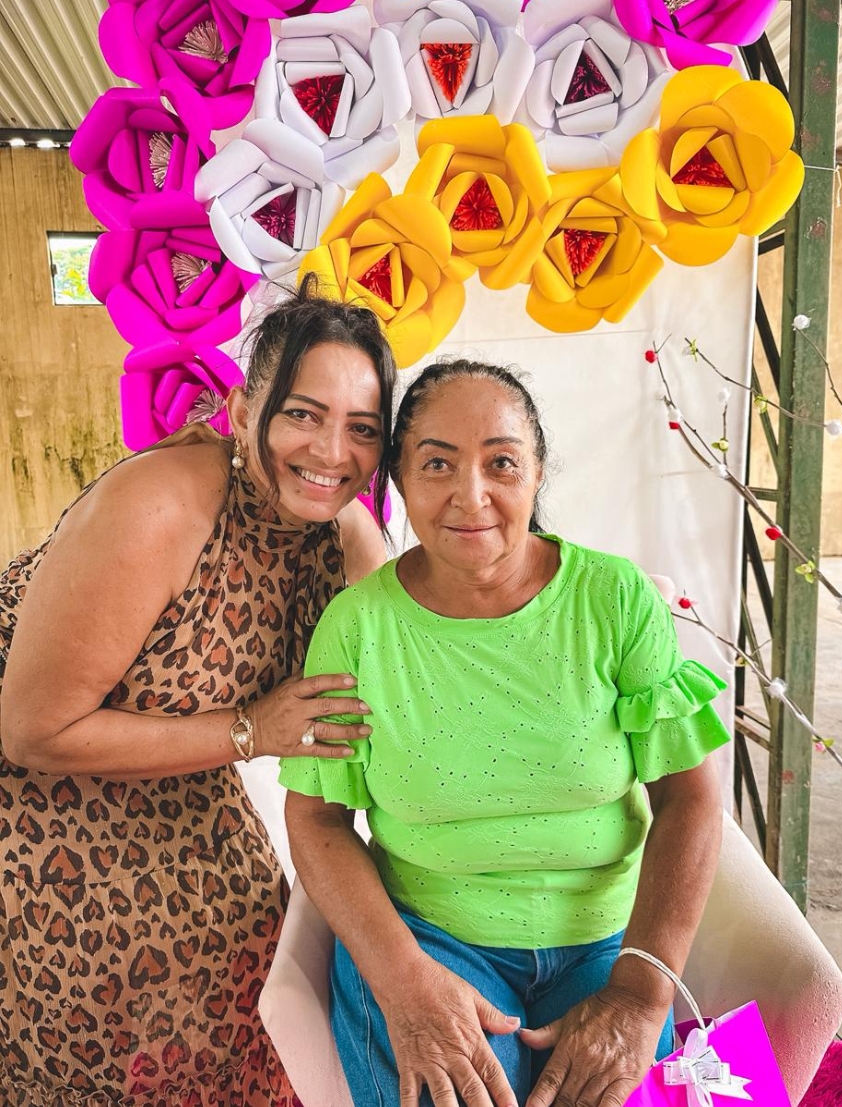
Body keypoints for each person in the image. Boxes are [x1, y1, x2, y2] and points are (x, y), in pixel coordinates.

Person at [281, 359, 732, 1107]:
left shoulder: (614, 600)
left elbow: (689, 798)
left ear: (537, 472)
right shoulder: (358, 628)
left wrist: (639, 995)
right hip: (428, 940)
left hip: (604, 943)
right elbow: (318, 819)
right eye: (437, 464)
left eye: (501, 463)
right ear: (397, 480)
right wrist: (403, 981)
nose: (472, 495)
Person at [0, 276, 397, 1106]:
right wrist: (252, 728)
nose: (333, 452)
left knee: (268, 967)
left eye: (362, 428)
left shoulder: (345, 536)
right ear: (245, 409)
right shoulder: (165, 505)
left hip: (176, 772)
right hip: (32, 791)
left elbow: (415, 681)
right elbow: (33, 728)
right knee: (140, 1009)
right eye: (303, 413)